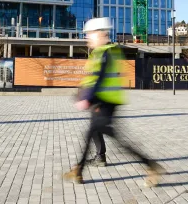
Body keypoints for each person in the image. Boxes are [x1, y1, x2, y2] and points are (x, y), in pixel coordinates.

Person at [63, 17, 165, 186]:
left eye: (90, 34)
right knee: (91, 134)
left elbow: (101, 78)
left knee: (118, 141)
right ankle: (79, 170)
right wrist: (80, 93)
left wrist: (87, 98)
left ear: (101, 34)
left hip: (106, 103)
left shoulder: (107, 52)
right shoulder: (99, 52)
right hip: (100, 102)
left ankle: (151, 166)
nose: (87, 37)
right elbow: (91, 77)